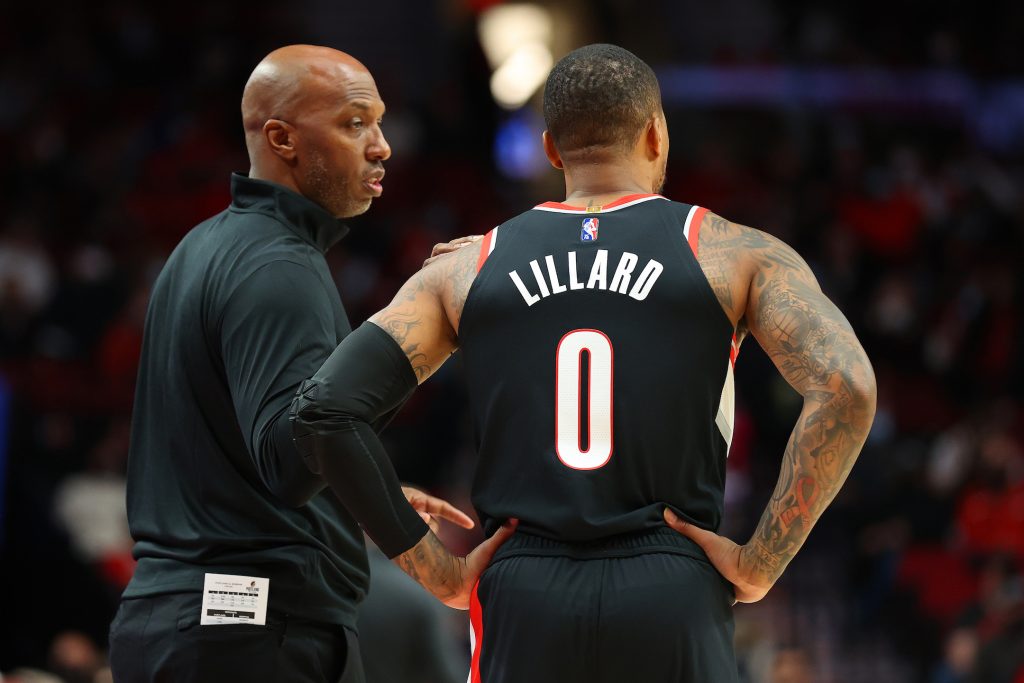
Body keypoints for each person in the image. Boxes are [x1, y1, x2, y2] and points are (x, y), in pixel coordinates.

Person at [291, 44, 877, 682]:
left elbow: (324, 412)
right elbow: (847, 385)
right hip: (672, 580)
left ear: (549, 149)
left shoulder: (465, 267)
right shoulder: (732, 252)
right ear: (656, 134)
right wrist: (762, 561)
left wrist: (439, 570)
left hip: (524, 587)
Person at [108, 44, 505, 683]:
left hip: (187, 622)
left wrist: (350, 487)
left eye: (378, 122)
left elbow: (240, 459)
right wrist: (425, 327)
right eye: (354, 124)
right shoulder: (279, 265)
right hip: (251, 635)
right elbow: (296, 453)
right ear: (282, 138)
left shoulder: (202, 247)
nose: (382, 146)